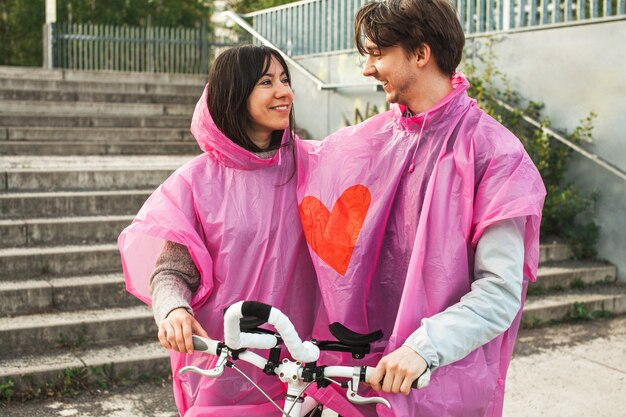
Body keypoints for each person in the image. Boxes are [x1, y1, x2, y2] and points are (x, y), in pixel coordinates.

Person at [294, 0, 546, 416]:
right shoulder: (370, 140)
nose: (367, 69)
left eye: (377, 54)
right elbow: (275, 170)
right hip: (358, 382)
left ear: (421, 53)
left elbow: (499, 292)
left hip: (439, 384)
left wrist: (422, 349)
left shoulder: (495, 154)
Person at [118, 45, 325, 416]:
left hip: (299, 369)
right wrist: (173, 312)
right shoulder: (197, 182)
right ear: (235, 92)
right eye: (266, 82)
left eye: (284, 80)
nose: (284, 92)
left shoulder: (315, 166)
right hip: (225, 369)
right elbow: (170, 272)